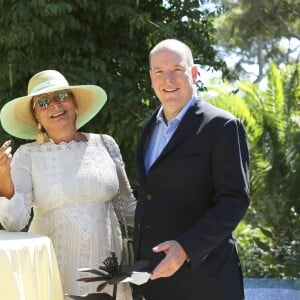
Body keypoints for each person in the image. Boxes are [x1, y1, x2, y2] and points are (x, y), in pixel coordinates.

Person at [0, 70, 136, 299]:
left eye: (61, 96)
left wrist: (179, 219)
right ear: (37, 118)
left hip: (107, 276)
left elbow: (129, 209)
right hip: (54, 276)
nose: (54, 105)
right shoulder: (27, 154)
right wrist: (4, 179)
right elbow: (14, 222)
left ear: (74, 102)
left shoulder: (105, 144)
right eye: (43, 102)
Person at [133, 39, 250, 300]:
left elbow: (234, 201)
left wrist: (186, 247)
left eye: (177, 69)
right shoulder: (150, 127)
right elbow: (152, 192)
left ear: (194, 73)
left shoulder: (222, 126)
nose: (168, 79)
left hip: (205, 281)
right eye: (160, 72)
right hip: (154, 281)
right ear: (152, 78)